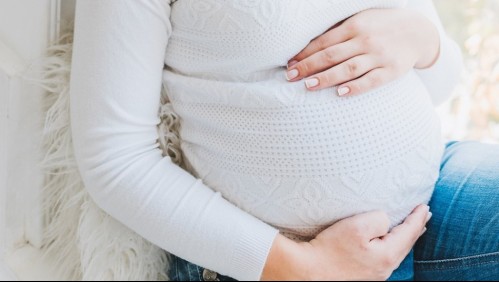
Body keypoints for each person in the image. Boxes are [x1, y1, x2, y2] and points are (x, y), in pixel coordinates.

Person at [69, 0, 499, 280]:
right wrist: (302, 269)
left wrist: (423, 40)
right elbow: (115, 160)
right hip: (271, 258)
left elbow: (439, 83)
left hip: (429, 199)